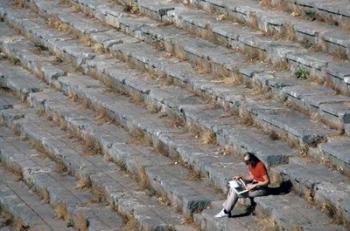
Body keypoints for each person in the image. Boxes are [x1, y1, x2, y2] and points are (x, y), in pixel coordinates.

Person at [215, 152, 270, 218]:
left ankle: (226, 211)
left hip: (261, 189)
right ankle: (226, 209)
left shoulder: (260, 166)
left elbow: (267, 181)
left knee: (235, 192)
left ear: (252, 159)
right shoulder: (250, 165)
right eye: (245, 161)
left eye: (247, 161)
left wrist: (254, 185)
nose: (246, 163)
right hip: (253, 184)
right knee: (233, 187)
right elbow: (252, 177)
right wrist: (241, 177)